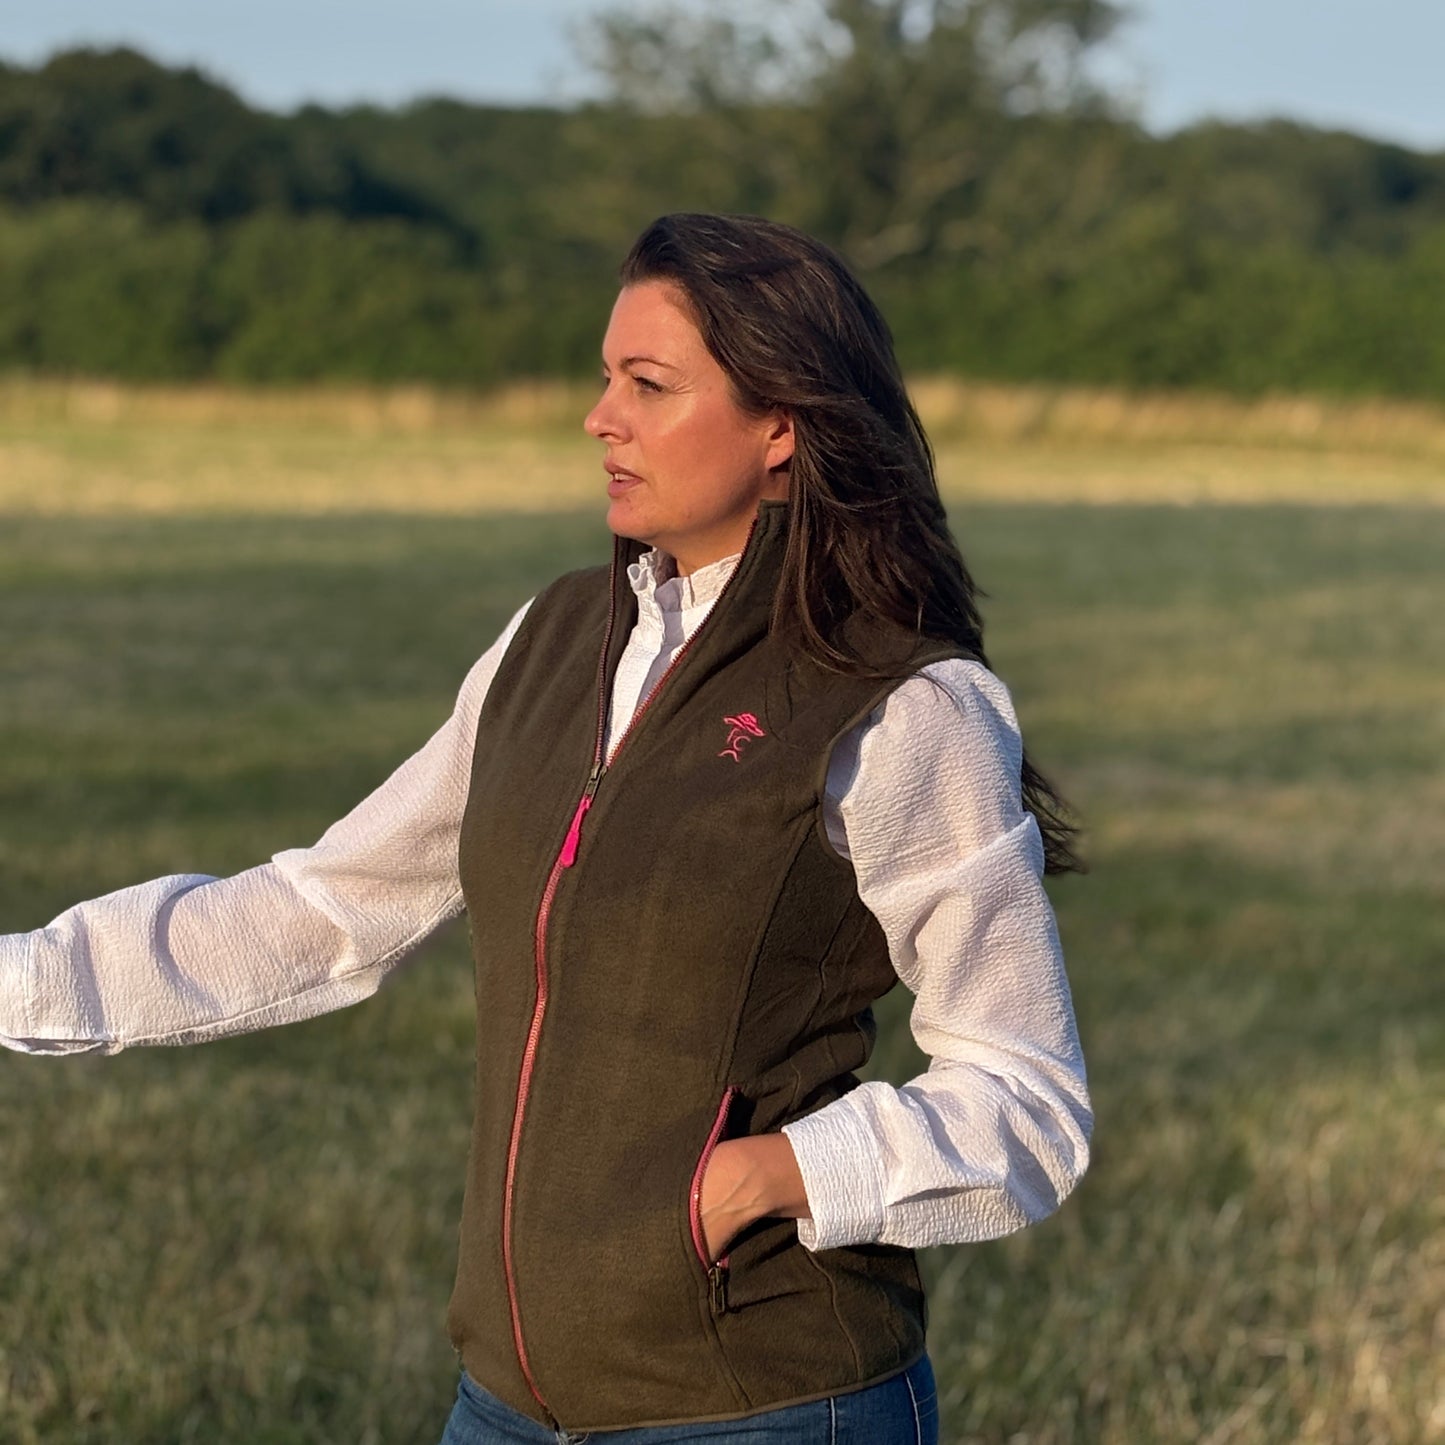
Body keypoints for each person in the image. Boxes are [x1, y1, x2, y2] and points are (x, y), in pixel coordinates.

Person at [0, 213, 1092, 1444]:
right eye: (602, 377)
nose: (598, 417)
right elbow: (321, 908)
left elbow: (1024, 1099)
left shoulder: (898, 705)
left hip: (764, 1404)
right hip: (507, 1403)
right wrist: (21, 978)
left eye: (648, 384)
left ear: (781, 426)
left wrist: (780, 1174)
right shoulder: (553, 641)